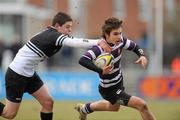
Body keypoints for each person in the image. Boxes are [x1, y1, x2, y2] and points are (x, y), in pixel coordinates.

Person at [0, 12, 111, 120]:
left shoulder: (52, 34)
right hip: (16, 75)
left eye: (71, 27)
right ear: (57, 26)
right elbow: (74, 42)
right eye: (67, 27)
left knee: (48, 103)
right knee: (9, 114)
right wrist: (98, 42)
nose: (70, 30)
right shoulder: (53, 35)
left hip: (28, 73)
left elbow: (72, 40)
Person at [75, 17, 156, 120]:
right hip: (109, 89)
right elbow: (82, 60)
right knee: (142, 105)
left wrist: (142, 55)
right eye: (115, 34)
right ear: (106, 35)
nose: (119, 36)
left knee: (113, 107)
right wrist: (101, 70)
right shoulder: (99, 49)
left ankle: (84, 109)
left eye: (120, 33)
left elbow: (135, 47)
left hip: (119, 82)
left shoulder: (121, 41)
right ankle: (85, 109)